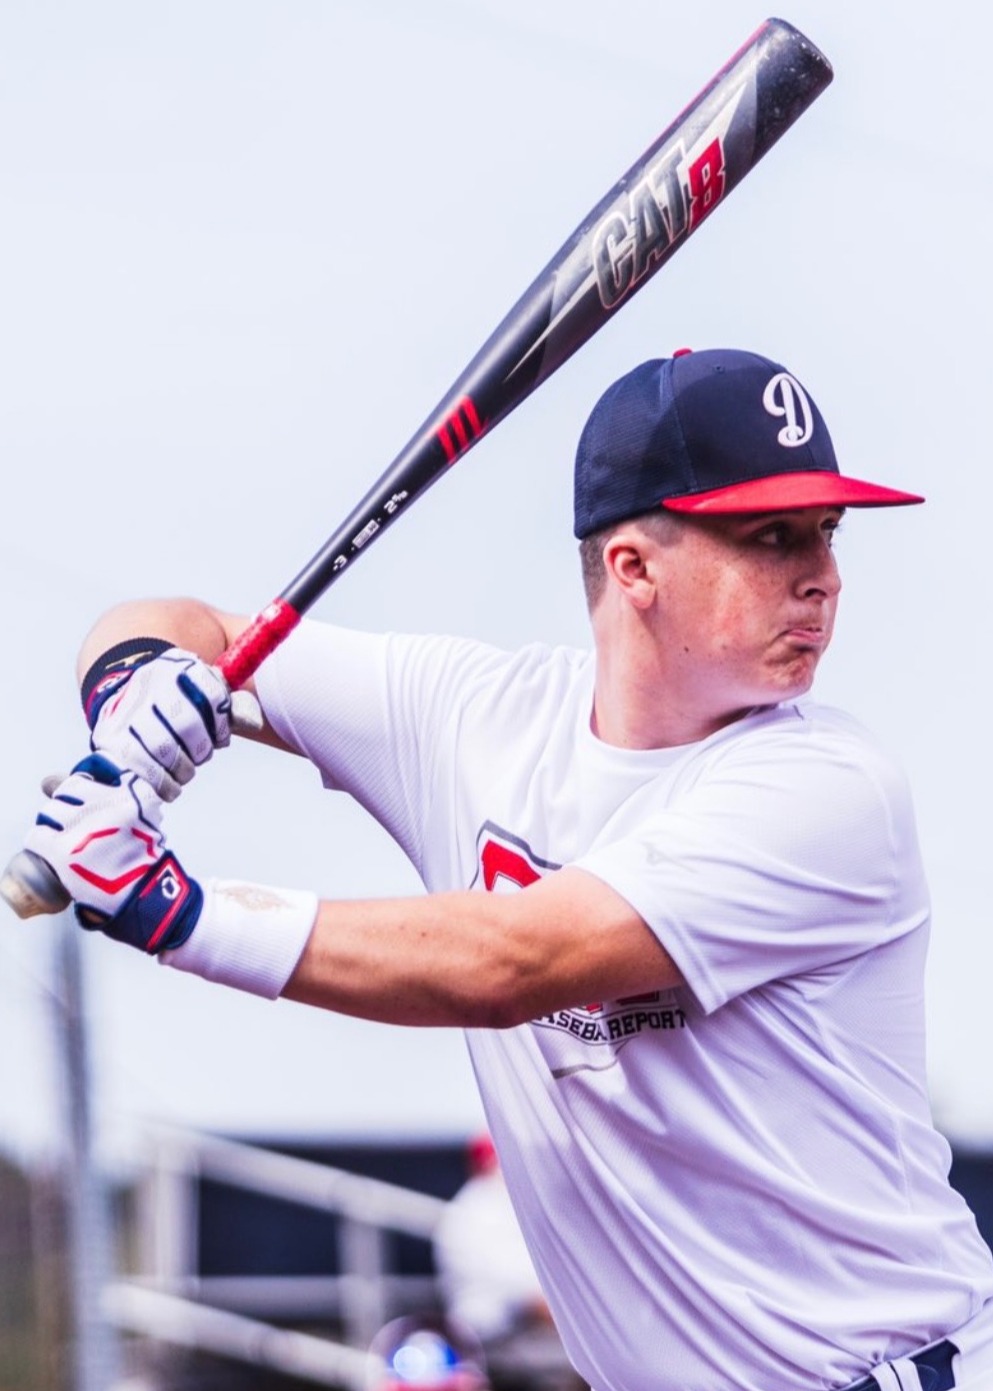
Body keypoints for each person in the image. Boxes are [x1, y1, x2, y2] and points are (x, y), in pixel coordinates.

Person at [14, 347, 993, 1391]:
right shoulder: (476, 715)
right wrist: (137, 690)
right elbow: (182, 624)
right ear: (633, 568)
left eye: (825, 531)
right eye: (771, 537)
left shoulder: (827, 788)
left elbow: (513, 961)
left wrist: (178, 911)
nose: (822, 576)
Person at [433, 1134, 581, 1391]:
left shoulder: (481, 1203)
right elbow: (528, 1293)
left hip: (512, 1335)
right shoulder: (481, 1205)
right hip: (495, 1341)